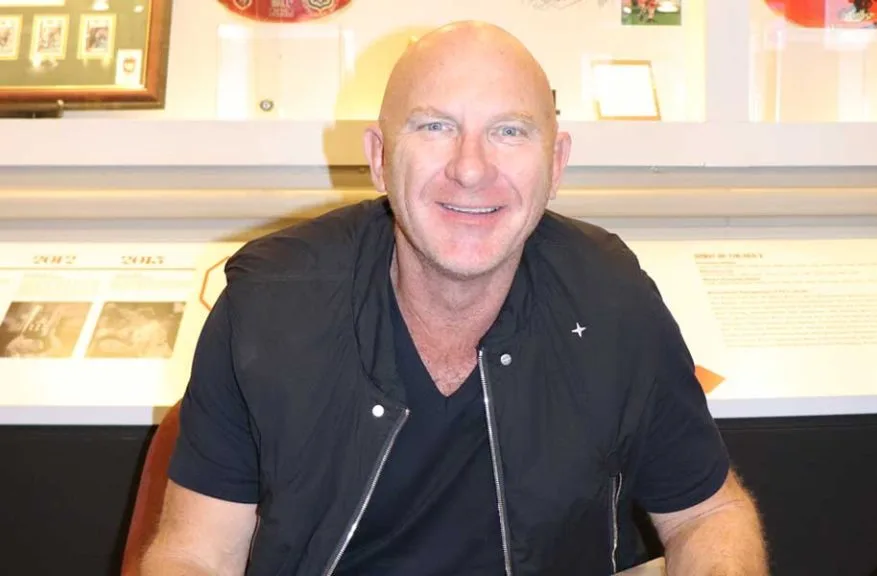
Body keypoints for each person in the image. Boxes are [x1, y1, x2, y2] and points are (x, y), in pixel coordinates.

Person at [140, 20, 768, 576]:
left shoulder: (612, 300)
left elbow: (706, 515)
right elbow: (198, 555)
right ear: (380, 158)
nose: (470, 168)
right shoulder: (268, 306)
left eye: (509, 131)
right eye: (436, 126)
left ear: (556, 164)